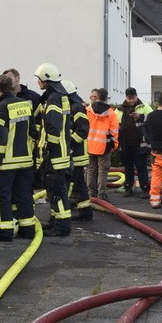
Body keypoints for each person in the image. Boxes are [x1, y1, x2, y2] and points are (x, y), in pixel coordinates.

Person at [0, 73, 38, 241]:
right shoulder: (25, 105)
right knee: (24, 195)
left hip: (7, 163)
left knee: (3, 196)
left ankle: (5, 231)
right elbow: (33, 131)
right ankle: (28, 229)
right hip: (25, 160)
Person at [33, 62, 73, 236]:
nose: (37, 82)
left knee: (57, 191)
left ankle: (62, 226)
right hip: (59, 154)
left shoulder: (54, 99)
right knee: (54, 190)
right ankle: (56, 220)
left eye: (39, 79)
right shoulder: (57, 96)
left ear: (46, 79)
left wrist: (49, 148)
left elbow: (54, 126)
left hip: (55, 155)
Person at [62, 80, 92, 221]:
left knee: (76, 183)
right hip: (74, 153)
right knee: (77, 183)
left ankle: (85, 212)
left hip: (76, 153)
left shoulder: (76, 108)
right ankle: (84, 211)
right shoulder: (73, 106)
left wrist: (69, 143)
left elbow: (82, 131)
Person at [116, 87, 153, 197]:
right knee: (128, 167)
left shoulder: (144, 106)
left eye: (132, 98)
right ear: (126, 97)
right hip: (125, 144)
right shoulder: (120, 109)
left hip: (140, 144)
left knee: (141, 166)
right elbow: (114, 122)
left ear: (136, 96)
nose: (131, 100)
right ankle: (128, 188)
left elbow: (152, 119)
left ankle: (145, 189)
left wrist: (140, 116)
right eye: (129, 98)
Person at [85, 87, 118, 201]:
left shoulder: (88, 110)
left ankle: (91, 194)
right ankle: (101, 195)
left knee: (91, 170)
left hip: (90, 145)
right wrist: (115, 146)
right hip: (104, 146)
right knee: (103, 171)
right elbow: (114, 132)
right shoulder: (111, 113)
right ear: (106, 97)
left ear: (97, 97)